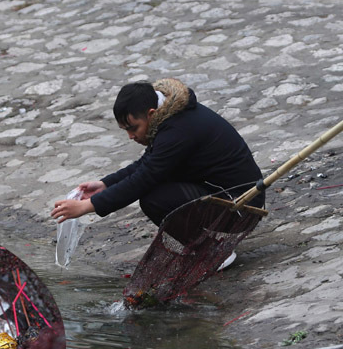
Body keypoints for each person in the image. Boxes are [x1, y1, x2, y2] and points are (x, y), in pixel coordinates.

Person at [50, 78, 264, 255]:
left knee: (155, 198)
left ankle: (211, 252)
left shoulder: (178, 129)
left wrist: (88, 206)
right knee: (156, 187)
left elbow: (145, 177)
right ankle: (203, 243)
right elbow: (148, 162)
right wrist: (105, 184)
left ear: (151, 114)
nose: (131, 136)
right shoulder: (172, 116)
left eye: (133, 128)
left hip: (240, 205)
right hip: (219, 190)